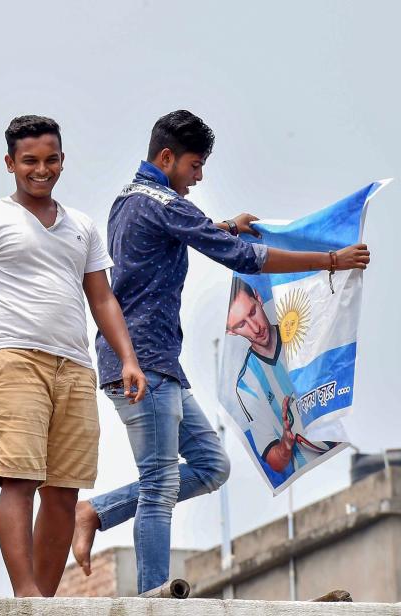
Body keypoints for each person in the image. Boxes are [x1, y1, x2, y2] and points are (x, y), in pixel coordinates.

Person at [74, 110, 370, 593]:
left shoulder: (131, 199)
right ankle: (155, 596)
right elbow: (243, 257)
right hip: (141, 363)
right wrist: (330, 260)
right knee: (159, 486)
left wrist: (225, 225)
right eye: (195, 165)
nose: (199, 176)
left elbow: (186, 231)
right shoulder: (165, 204)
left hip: (154, 362)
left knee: (212, 466)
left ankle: (94, 511)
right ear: (166, 157)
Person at [0, 115, 147, 598]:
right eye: (30, 160)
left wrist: (128, 357)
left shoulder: (82, 227)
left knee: (65, 492)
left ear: (62, 161)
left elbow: (103, 298)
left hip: (75, 366)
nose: (40, 169)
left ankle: (43, 603)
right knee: (19, 479)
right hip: (15, 360)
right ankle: (25, 594)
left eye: (50, 159)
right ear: (11, 163)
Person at [226, 279, 336, 481]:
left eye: (252, 312)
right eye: (241, 324)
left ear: (258, 299)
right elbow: (275, 462)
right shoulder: (246, 386)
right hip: (309, 480)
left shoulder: (301, 333)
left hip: (347, 451)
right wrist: (286, 441)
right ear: (231, 331)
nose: (255, 327)